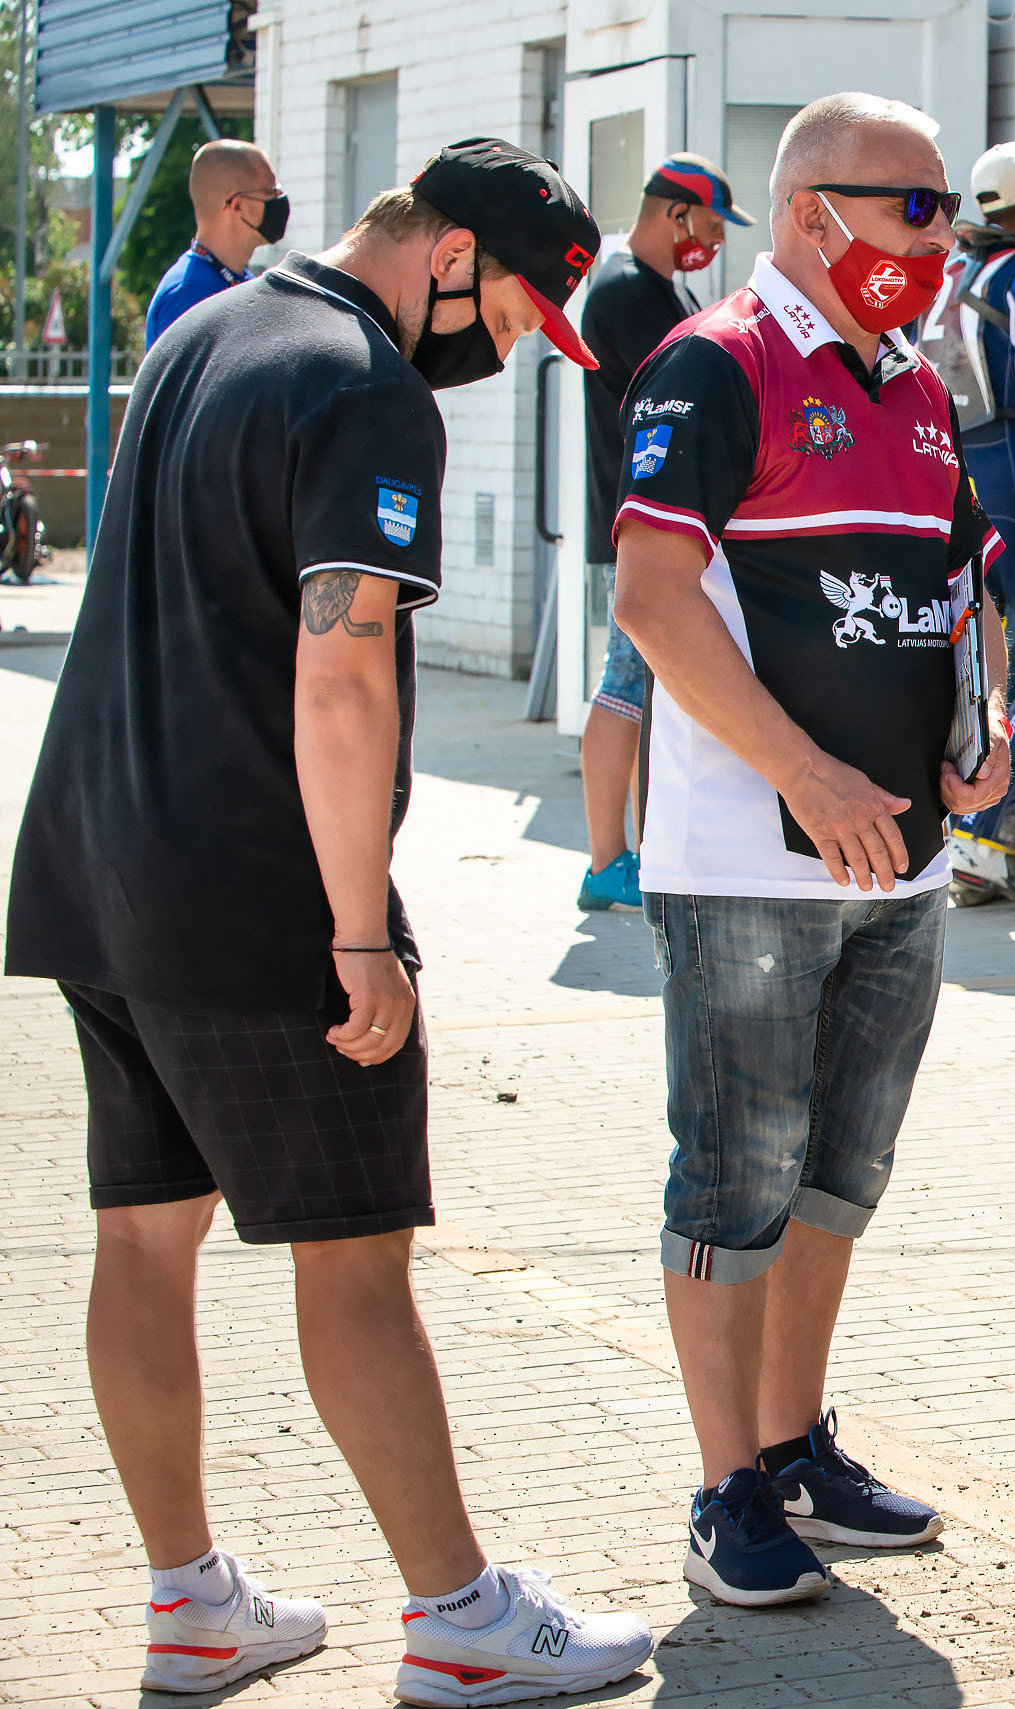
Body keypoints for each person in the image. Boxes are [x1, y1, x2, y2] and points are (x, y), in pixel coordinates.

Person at [7, 139, 652, 1701]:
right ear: (447, 257)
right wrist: (357, 927)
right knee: (357, 1261)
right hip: (257, 893)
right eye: (512, 316)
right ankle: (460, 1620)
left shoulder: (202, 330)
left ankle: (190, 1605)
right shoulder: (367, 386)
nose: (507, 354)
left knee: (143, 1243)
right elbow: (344, 668)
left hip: (100, 865)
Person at [610, 91, 1009, 1609]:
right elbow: (653, 601)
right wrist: (805, 769)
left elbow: (957, 588)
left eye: (946, 210)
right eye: (908, 207)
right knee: (737, 1178)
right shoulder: (716, 366)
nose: (936, 237)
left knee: (841, 1174)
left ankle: (791, 1447)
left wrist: (980, 734)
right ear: (807, 214)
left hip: (901, 864)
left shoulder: (914, 382)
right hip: (748, 867)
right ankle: (723, 1490)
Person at [575, 152, 750, 912]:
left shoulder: (654, 290)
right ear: (675, 213)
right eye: (710, 225)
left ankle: (638, 852)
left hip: (648, 526)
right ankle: (607, 859)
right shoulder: (626, 293)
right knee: (625, 689)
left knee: (648, 691)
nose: (713, 241)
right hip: (640, 531)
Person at [945, 140, 1015, 907]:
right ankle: (985, 837)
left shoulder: (953, 272)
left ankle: (977, 834)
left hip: (963, 474)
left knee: (997, 656)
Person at [142, 139, 285, 346]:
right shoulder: (185, 296)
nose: (280, 199)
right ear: (238, 206)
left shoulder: (240, 281)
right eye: (271, 191)